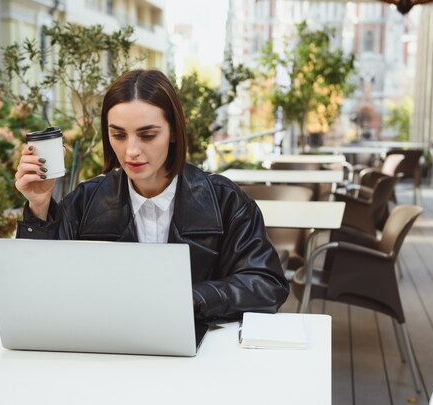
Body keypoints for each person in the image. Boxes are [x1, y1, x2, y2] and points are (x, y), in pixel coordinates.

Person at [14, 69, 289, 322]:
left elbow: (266, 284)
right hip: (109, 353)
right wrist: (39, 205)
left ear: (172, 132)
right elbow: (40, 286)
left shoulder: (225, 201)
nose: (131, 151)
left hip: (202, 357)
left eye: (147, 135)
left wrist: (192, 298)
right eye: (118, 135)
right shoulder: (86, 201)